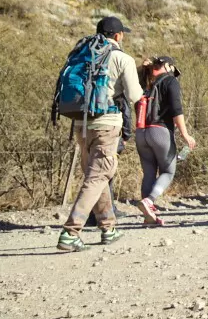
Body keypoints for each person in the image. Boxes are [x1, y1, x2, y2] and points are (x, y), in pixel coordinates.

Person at [54, 16, 142, 251]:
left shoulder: (84, 55)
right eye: (123, 33)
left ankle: (108, 227)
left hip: (81, 124)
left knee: (98, 176)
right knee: (98, 176)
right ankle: (71, 232)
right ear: (117, 35)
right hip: (107, 123)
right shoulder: (122, 58)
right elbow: (134, 95)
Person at [134, 56, 196, 227]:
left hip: (141, 132)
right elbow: (177, 110)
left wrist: (143, 67)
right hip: (160, 132)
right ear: (168, 66)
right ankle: (150, 201)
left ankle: (149, 217)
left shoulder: (146, 83)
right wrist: (185, 134)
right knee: (168, 171)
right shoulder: (170, 82)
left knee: (148, 174)